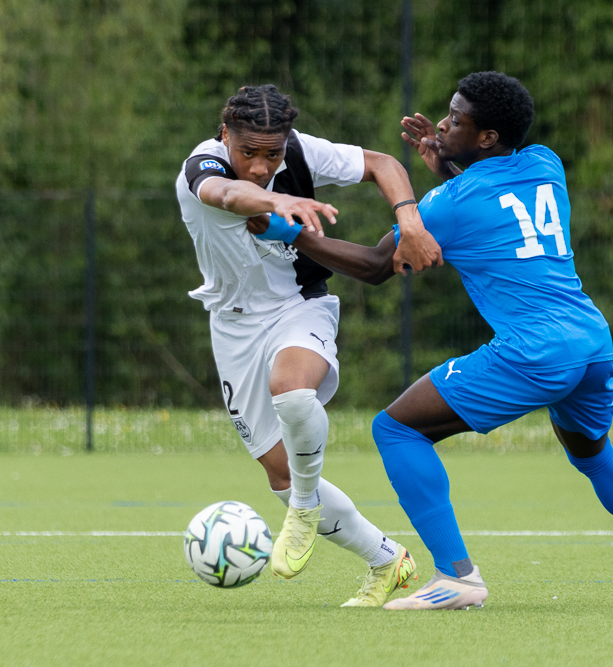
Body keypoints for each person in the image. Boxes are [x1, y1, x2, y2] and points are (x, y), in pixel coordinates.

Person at [272, 71, 613, 611]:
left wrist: (294, 234)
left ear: (488, 137)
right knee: (593, 453)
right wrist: (450, 159)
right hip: (590, 340)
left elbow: (379, 266)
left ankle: (458, 578)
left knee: (397, 429)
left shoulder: (449, 203)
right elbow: (493, 191)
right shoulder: (547, 163)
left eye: (457, 119)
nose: (443, 122)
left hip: (534, 350)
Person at [174, 84, 441, 607]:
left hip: (300, 306)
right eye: (246, 151)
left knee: (292, 391)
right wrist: (277, 198)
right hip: (232, 327)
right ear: (225, 135)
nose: (258, 165)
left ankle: (303, 506)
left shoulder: (299, 150)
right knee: (278, 470)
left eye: (270, 154)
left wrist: (409, 220)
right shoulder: (201, 167)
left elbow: (385, 164)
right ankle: (388, 561)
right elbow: (225, 196)